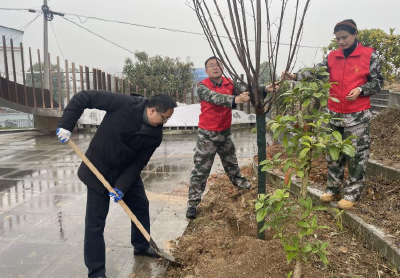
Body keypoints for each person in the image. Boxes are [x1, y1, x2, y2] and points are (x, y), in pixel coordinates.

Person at [56, 90, 177, 278]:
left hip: (125, 171)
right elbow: (84, 97)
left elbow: (138, 163)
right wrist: (66, 125)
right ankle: (96, 271)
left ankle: (142, 245)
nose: (164, 122)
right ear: (152, 110)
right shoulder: (124, 103)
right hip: (98, 168)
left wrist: (121, 186)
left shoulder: (155, 135)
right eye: (164, 118)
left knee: (140, 206)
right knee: (95, 222)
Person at [282, 19, 384, 209]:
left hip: (358, 116)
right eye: (337, 38)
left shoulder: (369, 55)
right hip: (334, 114)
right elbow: (316, 72)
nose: (341, 42)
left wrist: (361, 89)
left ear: (354, 35)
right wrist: (295, 76)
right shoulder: (332, 57)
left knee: (356, 156)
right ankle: (333, 188)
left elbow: (378, 82)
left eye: (344, 37)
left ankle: (352, 194)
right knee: (333, 154)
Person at [186, 56, 278, 219]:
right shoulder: (202, 86)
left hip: (224, 132)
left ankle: (243, 187)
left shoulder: (230, 83)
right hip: (207, 135)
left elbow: (248, 90)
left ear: (223, 68)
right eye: (211, 65)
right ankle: (193, 204)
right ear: (206, 71)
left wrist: (265, 89)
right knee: (201, 169)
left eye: (218, 65)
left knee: (232, 163)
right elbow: (216, 99)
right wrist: (236, 99)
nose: (215, 67)